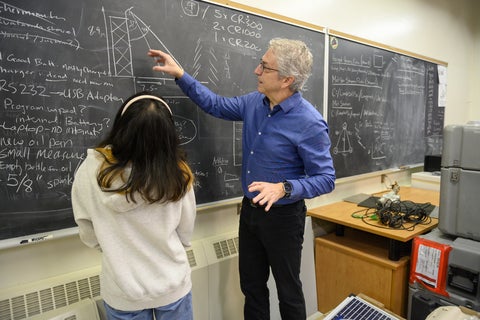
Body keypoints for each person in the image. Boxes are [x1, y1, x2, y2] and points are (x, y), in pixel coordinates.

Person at [148, 37, 335, 320]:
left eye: (264, 66)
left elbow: (326, 178)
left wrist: (284, 188)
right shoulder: (254, 103)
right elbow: (215, 105)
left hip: (284, 219)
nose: (256, 71)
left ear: (287, 79)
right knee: (252, 287)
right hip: (250, 213)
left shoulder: (309, 122)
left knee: (288, 291)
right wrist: (181, 75)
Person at [71, 92, 196, 320]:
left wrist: (116, 247)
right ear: (168, 135)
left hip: (122, 288)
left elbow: (88, 233)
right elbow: (186, 233)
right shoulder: (179, 173)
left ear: (122, 126)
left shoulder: (91, 171)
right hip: (172, 282)